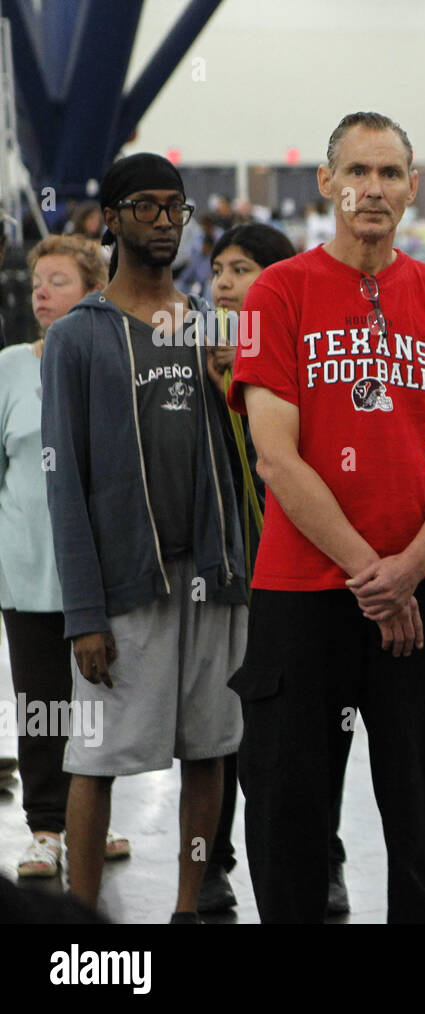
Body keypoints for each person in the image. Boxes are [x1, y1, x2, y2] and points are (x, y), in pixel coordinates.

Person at [229, 111, 425, 924]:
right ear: (327, 183)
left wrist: (408, 572)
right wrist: (376, 574)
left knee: (424, 817)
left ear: (412, 186)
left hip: (424, 594)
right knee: (288, 818)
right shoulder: (277, 292)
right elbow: (275, 457)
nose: (373, 189)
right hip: (304, 595)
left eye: (390, 173)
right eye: (356, 172)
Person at [41, 153, 248, 922]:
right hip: (129, 585)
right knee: (95, 761)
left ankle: (189, 909)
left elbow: (250, 452)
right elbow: (65, 483)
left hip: (214, 576)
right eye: (147, 207)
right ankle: (80, 920)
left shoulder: (211, 327)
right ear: (111, 221)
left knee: (209, 750)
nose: (164, 221)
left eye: (176, 208)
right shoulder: (78, 339)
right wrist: (84, 613)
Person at [197, 222, 354, 915]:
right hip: (229, 575)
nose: (226, 283)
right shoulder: (194, 363)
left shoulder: (299, 358)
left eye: (243, 270)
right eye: (219, 270)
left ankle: (326, 854)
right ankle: (213, 861)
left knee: (319, 734)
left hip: (303, 575)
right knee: (234, 734)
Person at [2, 236, 131, 880]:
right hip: (26, 570)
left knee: (99, 702)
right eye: (36, 284)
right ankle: (46, 827)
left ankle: (92, 819)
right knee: (41, 702)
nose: (42, 294)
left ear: (92, 291)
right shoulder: (8, 367)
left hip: (103, 570)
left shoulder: (111, 360)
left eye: (58, 281)